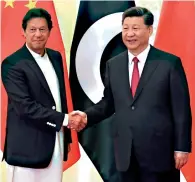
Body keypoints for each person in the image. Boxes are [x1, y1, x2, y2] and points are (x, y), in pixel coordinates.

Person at [71, 6, 192, 182]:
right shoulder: (114, 65)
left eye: (135, 28)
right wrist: (86, 116)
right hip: (125, 154)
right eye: (125, 28)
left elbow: (181, 110)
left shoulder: (168, 63)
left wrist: (182, 147)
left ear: (149, 30)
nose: (129, 34)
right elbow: (108, 103)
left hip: (160, 154)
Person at [1, 8, 86, 182]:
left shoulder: (56, 57)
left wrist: (67, 137)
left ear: (49, 31)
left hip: (56, 142)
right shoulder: (12, 63)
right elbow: (25, 107)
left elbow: (59, 98)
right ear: (24, 32)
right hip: (26, 148)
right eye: (32, 29)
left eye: (42, 29)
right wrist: (65, 120)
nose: (38, 34)